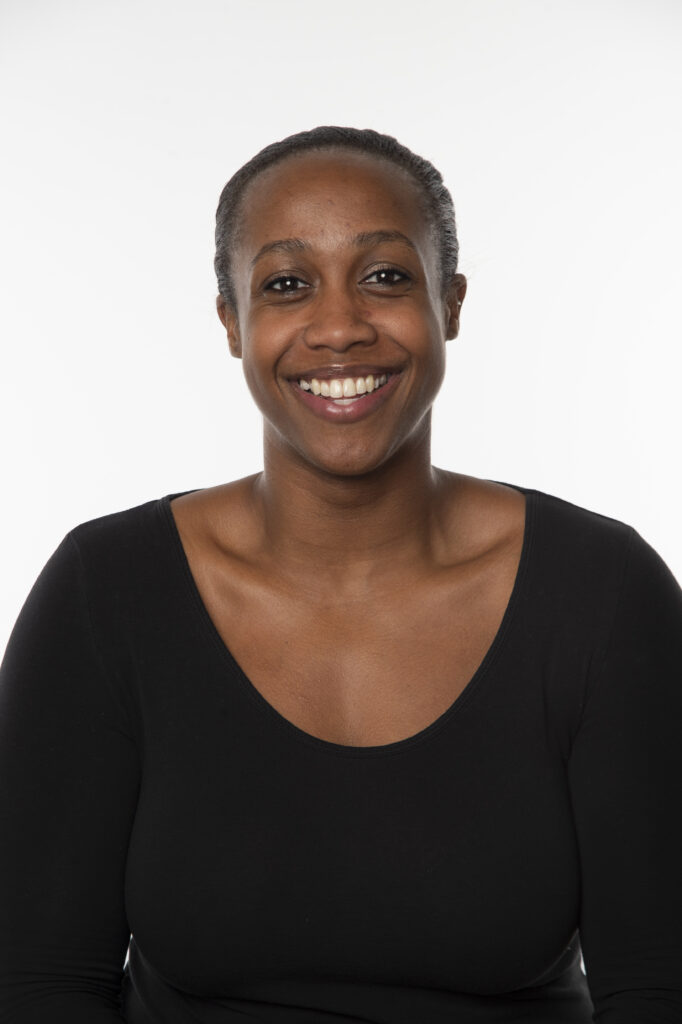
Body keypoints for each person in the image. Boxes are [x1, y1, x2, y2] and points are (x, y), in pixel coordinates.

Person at [1, 126, 681, 1024]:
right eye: (287, 284)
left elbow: (657, 989)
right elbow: (41, 983)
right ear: (232, 322)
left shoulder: (603, 593)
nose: (338, 327)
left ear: (451, 304)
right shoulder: (106, 592)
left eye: (386, 276)